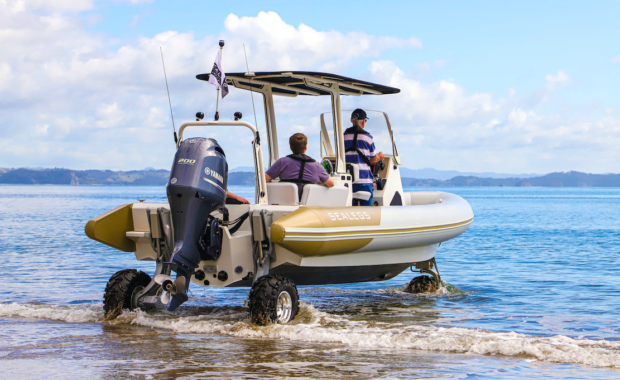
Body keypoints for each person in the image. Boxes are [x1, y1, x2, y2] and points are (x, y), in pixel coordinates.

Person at [265, 133, 334, 200]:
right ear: (306, 147)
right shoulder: (317, 166)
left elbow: (265, 179)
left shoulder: (282, 162)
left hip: (285, 202)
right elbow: (331, 184)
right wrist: (318, 181)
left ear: (290, 147)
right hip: (307, 205)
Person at [344, 109, 384, 206]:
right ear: (364, 121)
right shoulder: (368, 137)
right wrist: (379, 156)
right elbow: (373, 160)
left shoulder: (344, 136)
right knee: (367, 212)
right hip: (364, 181)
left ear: (351, 121)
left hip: (348, 180)